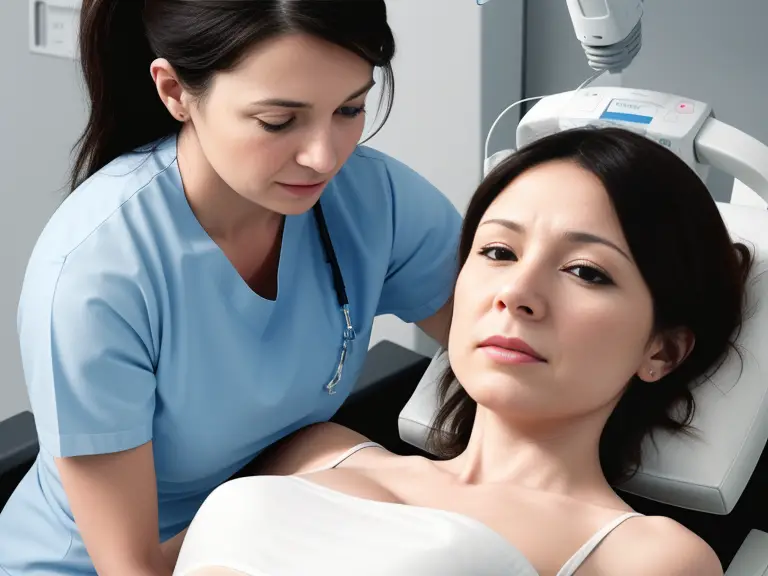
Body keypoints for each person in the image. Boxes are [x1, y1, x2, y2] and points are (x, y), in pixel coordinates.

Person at [0, 1, 463, 575]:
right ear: (174, 92)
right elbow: (132, 568)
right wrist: (290, 513)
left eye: (349, 108)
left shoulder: (374, 199)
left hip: (265, 528)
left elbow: (494, 347)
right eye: (278, 121)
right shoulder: (97, 276)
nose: (324, 157)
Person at [168, 127, 752, 576]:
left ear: (663, 351)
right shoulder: (319, 449)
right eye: (498, 252)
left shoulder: (642, 554)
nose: (517, 294)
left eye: (585, 271)